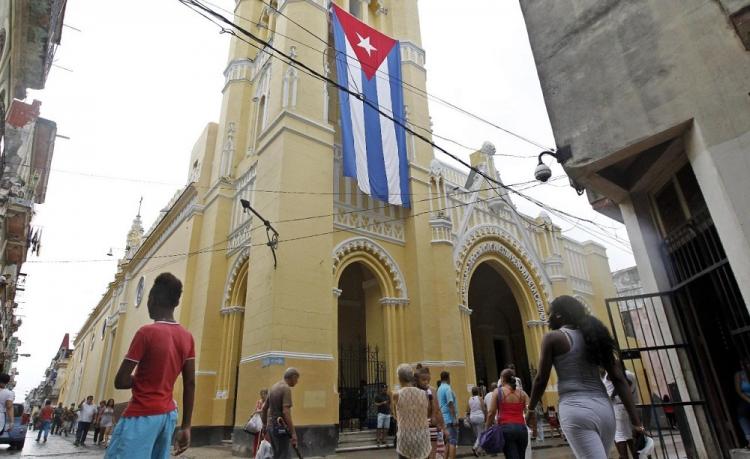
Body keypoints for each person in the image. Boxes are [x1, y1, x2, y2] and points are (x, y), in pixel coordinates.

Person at [527, 295, 644, 458]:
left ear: (559, 314)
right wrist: (637, 423)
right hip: (605, 410)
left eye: (551, 313)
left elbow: (540, 379)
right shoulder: (596, 337)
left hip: (575, 409)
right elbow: (619, 379)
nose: (548, 318)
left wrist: (531, 409)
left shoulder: (553, 338)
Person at [107, 272, 196, 459]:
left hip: (140, 416)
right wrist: (186, 426)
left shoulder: (146, 333)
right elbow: (190, 383)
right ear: (176, 303)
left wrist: (139, 380)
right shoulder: (187, 338)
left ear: (152, 299)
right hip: (168, 418)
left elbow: (120, 381)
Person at [486, 369, 529, 458]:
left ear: (502, 379)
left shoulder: (498, 392)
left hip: (506, 429)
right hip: (522, 428)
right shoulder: (522, 394)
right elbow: (529, 411)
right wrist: (534, 428)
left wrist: (487, 428)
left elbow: (491, 413)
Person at [393, 364, 431, 459]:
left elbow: (395, 416)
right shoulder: (424, 394)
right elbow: (428, 413)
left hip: (405, 437)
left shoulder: (396, 395)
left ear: (399, 378)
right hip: (422, 436)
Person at [262, 367, 300, 459]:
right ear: (293, 377)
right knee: (284, 455)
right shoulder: (286, 389)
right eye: (297, 379)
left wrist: (264, 425)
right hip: (280, 428)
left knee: (276, 455)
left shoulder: (273, 388)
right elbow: (286, 412)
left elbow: (264, 408)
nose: (297, 382)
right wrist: (293, 433)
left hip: (271, 427)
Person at [602, 369, 639, 459]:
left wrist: (611, 396)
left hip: (616, 407)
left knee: (619, 436)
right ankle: (637, 456)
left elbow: (615, 389)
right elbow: (632, 391)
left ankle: (623, 456)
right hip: (629, 406)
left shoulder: (610, 374)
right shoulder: (630, 374)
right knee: (629, 434)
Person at [414, 365, 447, 459]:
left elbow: (437, 410)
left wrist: (443, 427)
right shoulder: (414, 392)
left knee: (432, 454)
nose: (426, 382)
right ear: (417, 380)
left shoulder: (432, 391)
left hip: (431, 426)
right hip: (418, 427)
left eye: (428, 380)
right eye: (423, 380)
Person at [437, 371, 458, 459]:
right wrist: (454, 419)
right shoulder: (448, 388)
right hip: (449, 419)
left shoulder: (439, 389)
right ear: (448, 378)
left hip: (443, 418)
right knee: (453, 441)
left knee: (447, 442)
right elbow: (450, 403)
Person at [467, 386, 486, 456]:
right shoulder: (480, 398)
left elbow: (468, 410)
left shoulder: (469, 399)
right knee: (480, 435)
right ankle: (475, 447)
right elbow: (483, 408)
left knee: (476, 435)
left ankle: (479, 450)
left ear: (472, 392)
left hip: (472, 418)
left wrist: (468, 418)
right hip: (480, 417)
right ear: (478, 392)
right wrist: (485, 417)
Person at [735, 360, 750, 448]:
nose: (746, 365)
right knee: (741, 413)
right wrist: (748, 400)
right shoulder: (739, 375)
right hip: (747, 399)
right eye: (745, 363)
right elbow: (739, 391)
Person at [253, 389, 269, 456]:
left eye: (263, 394)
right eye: (261, 394)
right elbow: (255, 411)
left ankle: (265, 455)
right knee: (258, 440)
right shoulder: (259, 402)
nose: (262, 396)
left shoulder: (268, 402)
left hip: (266, 423)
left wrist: (260, 411)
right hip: (259, 423)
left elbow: (268, 411)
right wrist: (259, 411)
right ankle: (256, 454)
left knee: (266, 440)